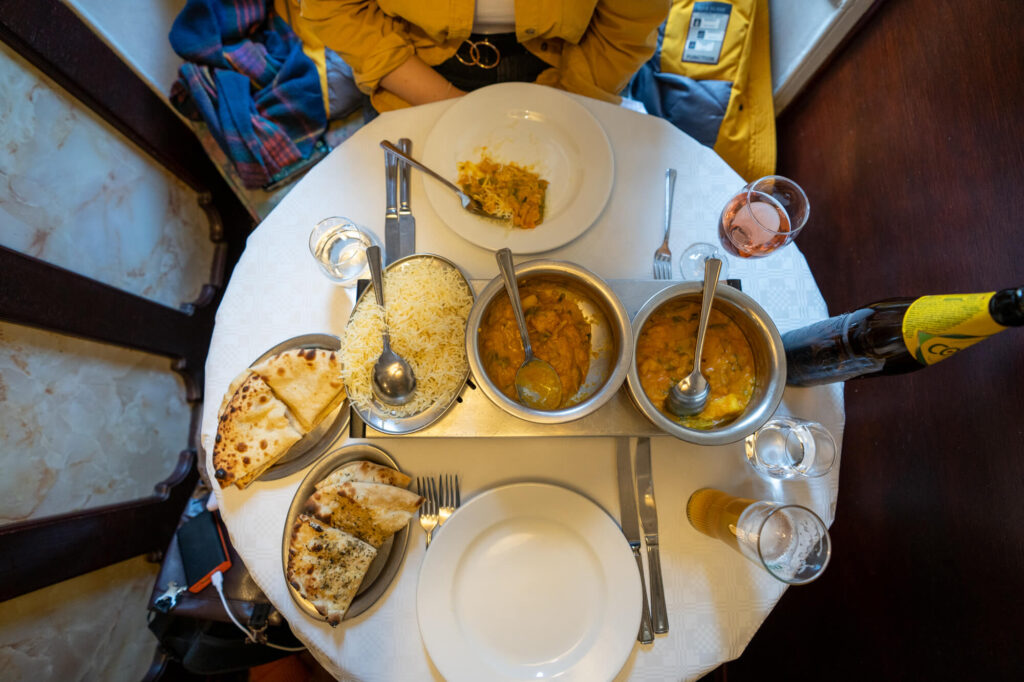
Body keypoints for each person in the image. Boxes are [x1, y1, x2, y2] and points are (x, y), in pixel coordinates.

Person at [289, 0, 670, 113]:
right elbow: (335, 9)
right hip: (414, 79)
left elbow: (629, 22)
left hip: (572, 71)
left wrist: (565, 107)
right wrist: (446, 103)